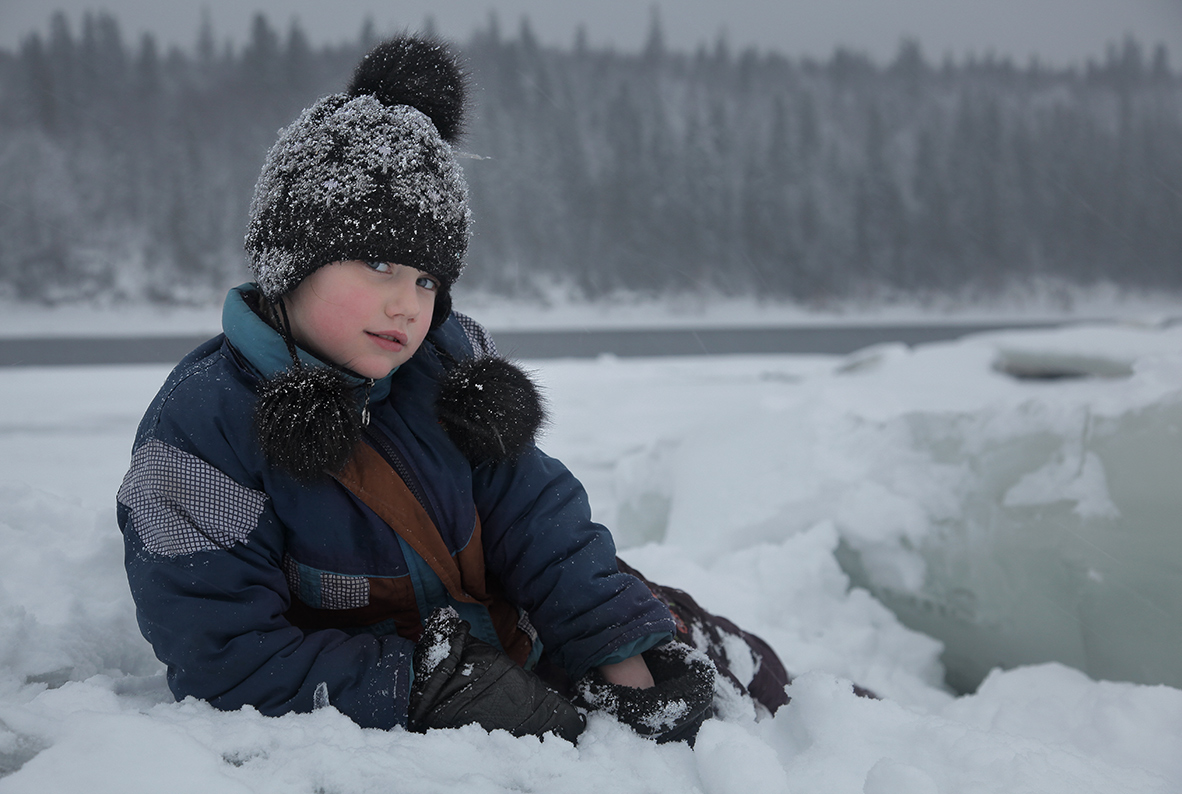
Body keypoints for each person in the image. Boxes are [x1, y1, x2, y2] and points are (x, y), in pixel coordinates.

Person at [117, 34, 788, 746]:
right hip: (408, 695)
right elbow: (222, 655)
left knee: (745, 674)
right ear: (290, 259)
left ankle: (864, 721)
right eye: (378, 262)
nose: (408, 305)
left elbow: (539, 521)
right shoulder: (202, 431)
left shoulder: (445, 367)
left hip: (519, 640)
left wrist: (620, 645)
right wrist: (430, 687)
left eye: (426, 279)